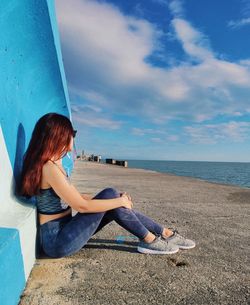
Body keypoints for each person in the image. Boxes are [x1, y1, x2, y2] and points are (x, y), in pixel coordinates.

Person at [19, 113, 195, 258]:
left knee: (113, 196)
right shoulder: (49, 168)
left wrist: (118, 200)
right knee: (112, 196)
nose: (73, 139)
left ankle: (163, 234)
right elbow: (81, 205)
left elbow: (78, 197)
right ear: (58, 137)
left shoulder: (54, 164)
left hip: (66, 230)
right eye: (71, 134)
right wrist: (119, 202)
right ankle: (151, 239)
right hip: (57, 241)